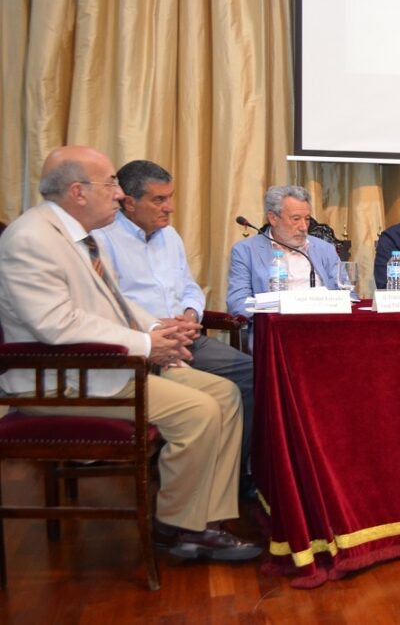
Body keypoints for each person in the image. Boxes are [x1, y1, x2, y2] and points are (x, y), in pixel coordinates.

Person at [0, 146, 260, 561]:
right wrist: (146, 345)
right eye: (111, 184)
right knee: (198, 411)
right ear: (77, 191)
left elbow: (116, 303)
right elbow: (56, 323)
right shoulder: (31, 240)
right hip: (63, 381)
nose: (119, 194)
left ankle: (206, 519)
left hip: (108, 366)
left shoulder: (77, 236)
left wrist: (160, 330)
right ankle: (176, 528)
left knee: (226, 396)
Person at [92, 160, 256, 499]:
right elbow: (108, 303)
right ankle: (189, 486)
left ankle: (236, 477)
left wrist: (189, 313)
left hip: (187, 337)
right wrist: (158, 328)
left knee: (252, 372)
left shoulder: (170, 236)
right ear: (128, 201)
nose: (169, 207)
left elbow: (189, 286)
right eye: (158, 200)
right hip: (144, 347)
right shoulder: (102, 239)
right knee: (208, 397)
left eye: (171, 197)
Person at [226, 185, 339, 316]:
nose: (303, 227)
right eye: (296, 219)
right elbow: (238, 303)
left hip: (323, 326)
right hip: (276, 329)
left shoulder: (325, 249)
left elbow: (347, 293)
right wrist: (272, 314)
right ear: (273, 218)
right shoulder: (245, 251)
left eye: (307, 219)